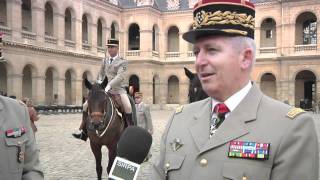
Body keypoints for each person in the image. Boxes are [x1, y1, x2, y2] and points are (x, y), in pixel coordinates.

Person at [152, 1, 319, 180]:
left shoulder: (292, 129)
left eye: (212, 50)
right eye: (196, 52)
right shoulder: (179, 119)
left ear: (245, 58)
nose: (199, 62)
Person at [72, 38, 134, 141]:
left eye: (112, 47)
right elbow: (100, 74)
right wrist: (98, 84)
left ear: (117, 48)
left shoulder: (122, 62)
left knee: (128, 107)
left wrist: (109, 86)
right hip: (103, 89)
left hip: (118, 89)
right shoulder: (104, 60)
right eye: (109, 47)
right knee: (85, 105)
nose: (110, 49)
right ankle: (83, 131)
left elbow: (120, 77)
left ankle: (130, 130)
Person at [0, 95, 44, 179]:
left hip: (26, 131)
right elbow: (36, 118)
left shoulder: (19, 109)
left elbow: (31, 169)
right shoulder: (29, 109)